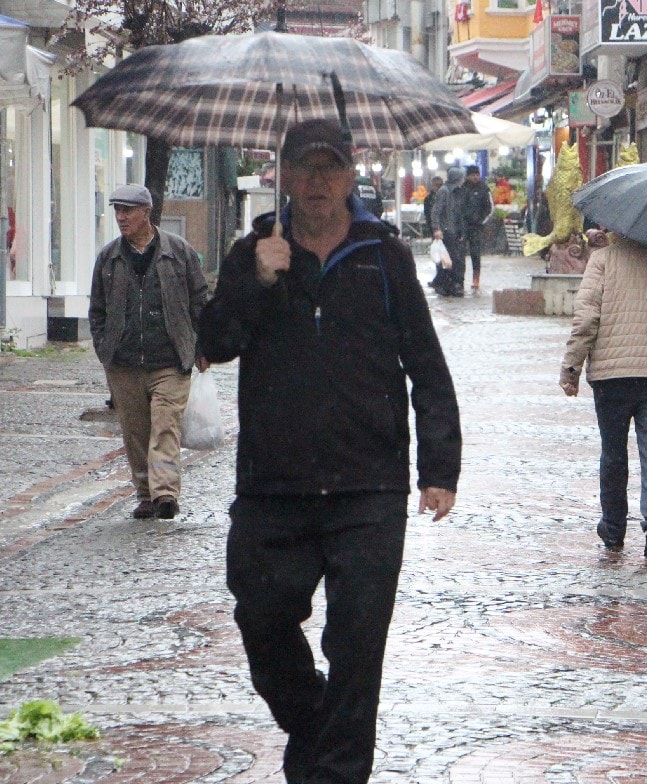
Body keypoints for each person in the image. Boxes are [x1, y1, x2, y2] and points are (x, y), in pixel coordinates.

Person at [195, 118, 461, 784]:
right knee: (261, 621)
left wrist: (439, 468)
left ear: (350, 175)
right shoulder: (252, 250)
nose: (318, 182)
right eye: (305, 168)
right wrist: (256, 279)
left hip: (367, 485)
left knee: (358, 645)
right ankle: (316, 724)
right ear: (283, 173)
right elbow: (214, 342)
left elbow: (425, 364)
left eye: (330, 168)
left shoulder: (383, 255)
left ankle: (332, 772)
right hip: (272, 485)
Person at [559, 232, 647, 558]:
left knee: (613, 452)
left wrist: (571, 368)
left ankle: (613, 529)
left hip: (612, 375)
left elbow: (587, 319)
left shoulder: (603, 260)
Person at [89, 184, 209, 521]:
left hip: (171, 361)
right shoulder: (109, 257)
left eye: (127, 210)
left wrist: (202, 346)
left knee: (165, 426)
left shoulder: (179, 252)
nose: (121, 217)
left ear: (147, 213)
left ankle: (166, 494)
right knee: (136, 433)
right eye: (117, 210)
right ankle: (145, 495)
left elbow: (200, 302)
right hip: (124, 363)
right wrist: (104, 348)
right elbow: (97, 310)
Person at [428, 165, 466, 296]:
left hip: (454, 230)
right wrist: (437, 229)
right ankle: (445, 285)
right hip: (446, 231)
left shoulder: (458, 191)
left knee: (454, 259)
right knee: (447, 260)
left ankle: (452, 285)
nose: (463, 180)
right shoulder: (444, 191)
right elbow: (436, 211)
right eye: (462, 177)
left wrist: (461, 231)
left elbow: (459, 212)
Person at [459, 163, 493, 291]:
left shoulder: (484, 189)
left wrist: (481, 221)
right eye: (472, 175)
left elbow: (489, 208)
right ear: (467, 176)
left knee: (475, 253)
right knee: (460, 253)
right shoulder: (462, 188)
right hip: (463, 227)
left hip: (476, 227)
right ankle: (460, 278)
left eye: (477, 175)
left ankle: (476, 278)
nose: (475, 177)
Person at [422, 174, 444, 239]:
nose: (439, 187)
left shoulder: (446, 196)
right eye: (437, 185)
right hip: (433, 227)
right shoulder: (428, 198)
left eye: (440, 185)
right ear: (432, 185)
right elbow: (427, 213)